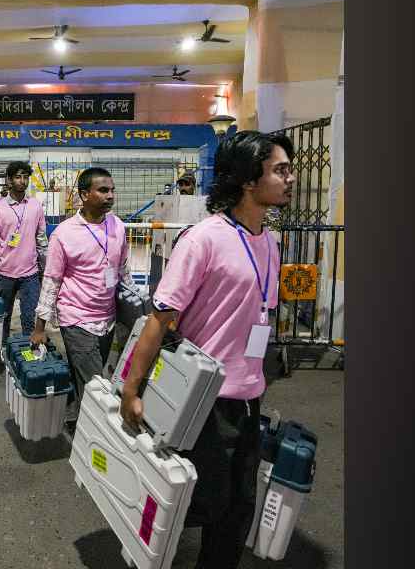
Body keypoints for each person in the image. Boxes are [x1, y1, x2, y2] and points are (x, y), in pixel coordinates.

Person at [119, 131, 295, 569]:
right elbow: (160, 320)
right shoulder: (203, 240)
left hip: (250, 398)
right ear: (249, 180)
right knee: (199, 503)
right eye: (280, 169)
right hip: (205, 402)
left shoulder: (270, 242)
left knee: (238, 510)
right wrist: (131, 389)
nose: (291, 177)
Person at [30, 167, 133, 419]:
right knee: (97, 383)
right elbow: (52, 281)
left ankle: (73, 416)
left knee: (88, 378)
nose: (110, 195)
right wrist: (40, 327)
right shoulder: (64, 234)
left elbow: (123, 270)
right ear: (85, 194)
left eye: (112, 190)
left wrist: (131, 310)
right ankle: (95, 438)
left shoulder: (117, 226)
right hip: (76, 319)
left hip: (107, 319)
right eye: (103, 190)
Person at [0, 162, 48, 342]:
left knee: (29, 319)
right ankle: (4, 351)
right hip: (5, 274)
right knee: (4, 318)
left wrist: (46, 270)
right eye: (18, 177)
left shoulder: (36, 206)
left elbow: (42, 241)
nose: (22, 181)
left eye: (26, 177)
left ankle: (26, 361)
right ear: (9, 180)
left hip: (30, 275)